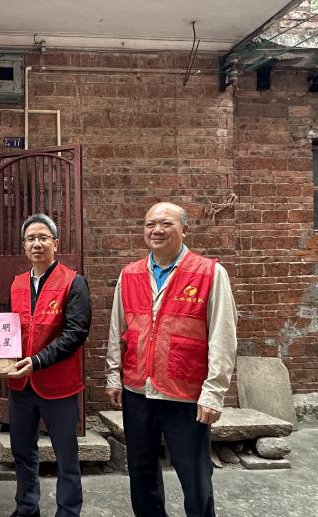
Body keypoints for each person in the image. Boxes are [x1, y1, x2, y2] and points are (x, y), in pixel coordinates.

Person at [105, 202, 238, 517]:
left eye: (166, 223)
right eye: (150, 224)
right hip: (138, 391)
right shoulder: (130, 274)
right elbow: (117, 329)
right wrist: (113, 375)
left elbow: (223, 337)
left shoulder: (209, 273)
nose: (157, 230)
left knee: (195, 477)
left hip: (186, 395)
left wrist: (213, 393)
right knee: (141, 474)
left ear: (184, 229)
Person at [7, 213, 91, 517]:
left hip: (58, 385)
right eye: (31, 239)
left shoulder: (73, 282)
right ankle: (26, 507)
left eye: (43, 238)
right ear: (24, 246)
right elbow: (10, 332)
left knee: (66, 456)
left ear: (56, 243)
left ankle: (68, 511)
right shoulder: (17, 283)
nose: (37, 244)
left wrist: (38, 361)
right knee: (22, 452)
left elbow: (76, 332)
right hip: (21, 385)